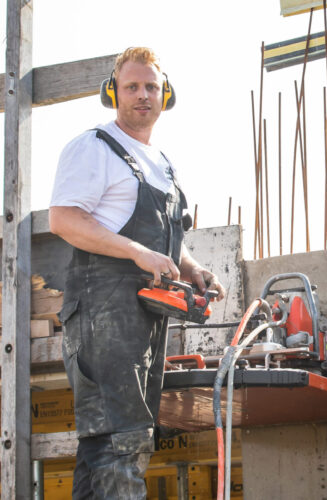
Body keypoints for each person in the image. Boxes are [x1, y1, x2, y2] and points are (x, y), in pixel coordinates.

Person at [49, 47, 225, 499]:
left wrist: (192, 267)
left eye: (151, 86)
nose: (142, 95)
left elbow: (166, 238)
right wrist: (137, 253)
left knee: (107, 443)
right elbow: (64, 219)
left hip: (142, 319)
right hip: (100, 318)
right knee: (123, 440)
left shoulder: (162, 164)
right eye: (132, 87)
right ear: (114, 93)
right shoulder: (94, 147)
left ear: (165, 94)